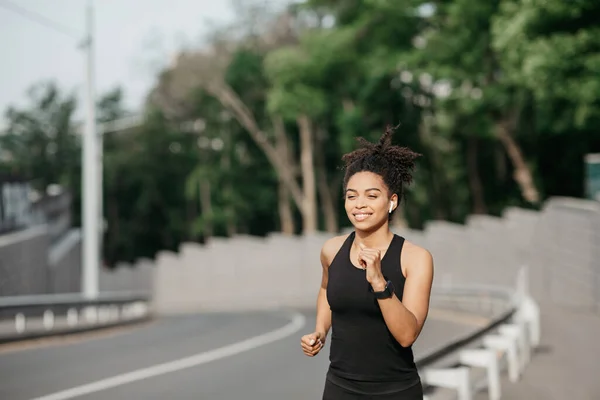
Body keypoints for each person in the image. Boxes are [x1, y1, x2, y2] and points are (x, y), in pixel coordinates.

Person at [300, 125, 434, 399]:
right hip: (340, 388)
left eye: (372, 195)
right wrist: (320, 330)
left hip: (396, 392)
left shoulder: (415, 258)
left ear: (391, 202)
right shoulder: (332, 250)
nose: (359, 204)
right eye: (351, 196)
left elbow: (408, 335)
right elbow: (326, 290)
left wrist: (378, 282)